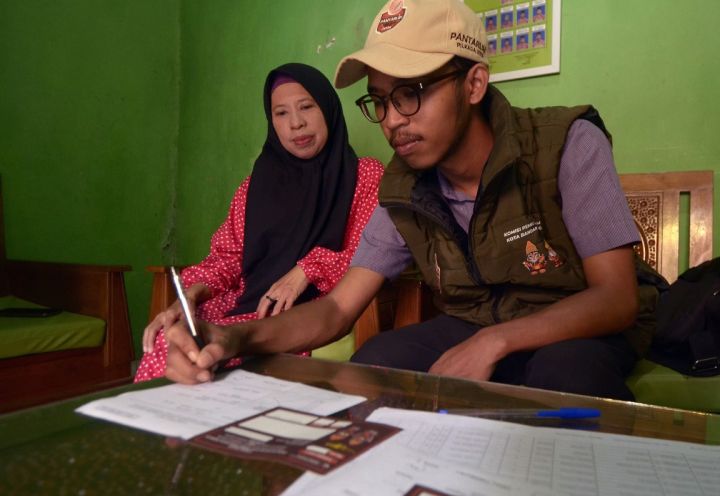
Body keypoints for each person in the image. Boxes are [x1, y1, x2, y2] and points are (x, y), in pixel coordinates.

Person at [163, 0, 662, 402]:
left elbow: (617, 299)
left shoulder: (566, 143)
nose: (392, 119)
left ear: (473, 84)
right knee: (377, 361)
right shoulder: (403, 187)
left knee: (566, 375)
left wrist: (495, 340)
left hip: (573, 327)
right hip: (473, 322)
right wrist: (232, 337)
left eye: (412, 92)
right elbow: (338, 308)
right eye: (380, 99)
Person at [134, 63, 383, 382]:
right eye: (281, 113)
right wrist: (190, 297)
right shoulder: (253, 189)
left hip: (308, 311)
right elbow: (227, 259)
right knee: (173, 340)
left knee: (231, 360)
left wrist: (305, 270)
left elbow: (369, 254)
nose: (296, 123)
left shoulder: (365, 177)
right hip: (246, 303)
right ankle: (168, 430)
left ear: (329, 109)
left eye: (307, 107)